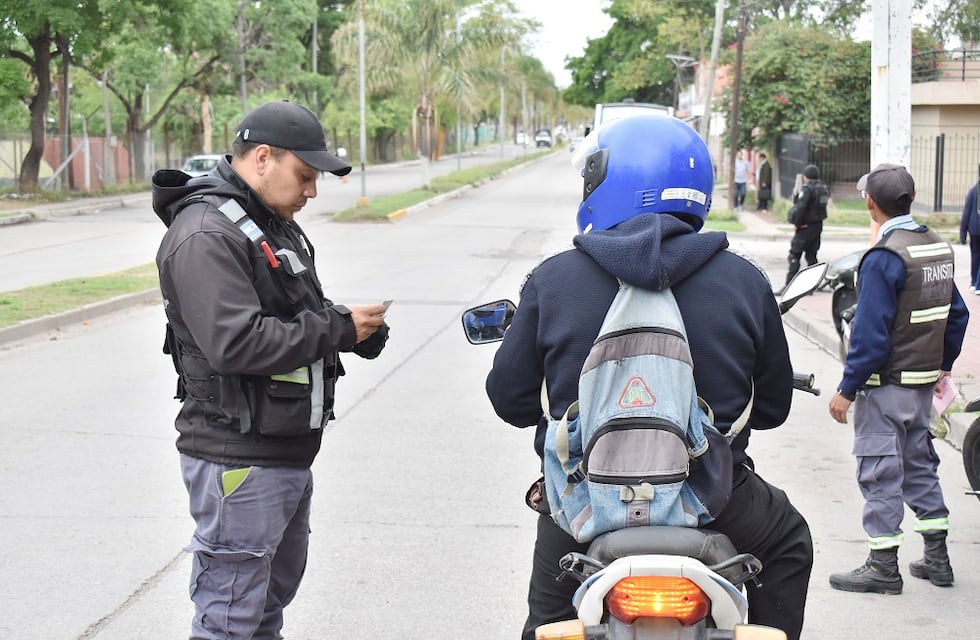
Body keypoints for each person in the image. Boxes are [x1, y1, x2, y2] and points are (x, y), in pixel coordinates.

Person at [485, 115, 813, 640]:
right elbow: (773, 410)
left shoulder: (554, 279)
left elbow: (509, 401)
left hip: (583, 508)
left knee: (548, 626)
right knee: (791, 540)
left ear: (614, 183)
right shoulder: (744, 281)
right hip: (717, 505)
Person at [152, 100, 390, 640]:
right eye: (304, 176)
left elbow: (292, 315)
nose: (311, 191)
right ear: (262, 158)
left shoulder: (267, 224)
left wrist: (353, 331)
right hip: (238, 460)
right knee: (229, 620)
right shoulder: (207, 233)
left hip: (279, 454)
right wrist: (337, 330)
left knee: (262, 613)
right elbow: (236, 343)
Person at [828, 163, 968, 595]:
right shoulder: (936, 247)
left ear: (871, 203)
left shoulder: (884, 257)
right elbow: (957, 315)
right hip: (921, 386)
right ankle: (937, 559)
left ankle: (883, 567)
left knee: (880, 471)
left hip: (885, 387)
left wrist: (846, 391)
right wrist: (942, 365)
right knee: (920, 466)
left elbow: (869, 336)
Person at [782, 163, 829, 290]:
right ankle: (813, 286)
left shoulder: (807, 189)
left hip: (805, 227)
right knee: (811, 256)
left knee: (794, 255)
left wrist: (797, 224)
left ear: (806, 177)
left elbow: (801, 208)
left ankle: (789, 287)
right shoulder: (823, 188)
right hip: (818, 226)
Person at [958, 180, 980, 293]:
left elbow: (966, 212)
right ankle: (978, 285)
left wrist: (963, 234)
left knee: (975, 256)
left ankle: (974, 282)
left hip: (974, 229)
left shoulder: (973, 191)